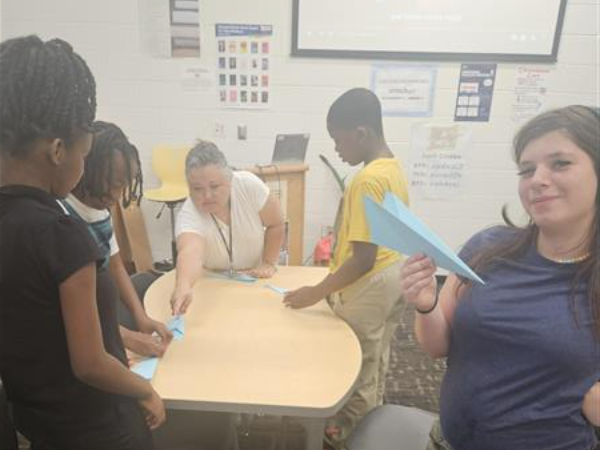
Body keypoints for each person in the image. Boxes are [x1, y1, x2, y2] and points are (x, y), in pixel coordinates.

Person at [400, 105, 600, 450]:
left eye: (560, 163)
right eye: (527, 169)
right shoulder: (488, 248)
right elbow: (437, 347)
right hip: (449, 440)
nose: (537, 179)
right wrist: (425, 304)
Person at [0, 35, 165, 450]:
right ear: (58, 150)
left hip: (37, 427)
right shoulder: (62, 233)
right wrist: (144, 390)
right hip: (98, 429)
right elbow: (91, 363)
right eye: (85, 153)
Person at [283, 88, 410, 447]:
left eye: (339, 141)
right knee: (376, 361)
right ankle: (373, 423)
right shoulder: (392, 168)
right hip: (393, 274)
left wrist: (316, 292)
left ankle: (351, 437)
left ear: (361, 133)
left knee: (354, 367)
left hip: (369, 283)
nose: (337, 149)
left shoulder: (366, 180)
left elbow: (362, 258)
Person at [62, 120, 172, 358]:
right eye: (113, 184)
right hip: (79, 330)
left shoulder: (101, 210)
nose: (117, 194)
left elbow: (114, 263)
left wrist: (141, 318)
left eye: (123, 185)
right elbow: (74, 315)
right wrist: (129, 338)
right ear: (87, 170)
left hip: (101, 313)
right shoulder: (62, 215)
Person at [170, 140, 285, 315]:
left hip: (256, 282)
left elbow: (276, 222)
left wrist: (268, 262)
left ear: (229, 179)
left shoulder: (248, 185)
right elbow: (190, 251)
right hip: (213, 285)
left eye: (214, 186)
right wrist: (183, 285)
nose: (207, 196)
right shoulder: (189, 213)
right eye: (197, 189)